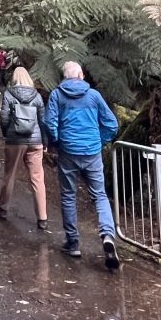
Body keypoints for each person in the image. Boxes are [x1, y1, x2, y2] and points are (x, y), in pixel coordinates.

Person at [44, 61, 120, 269]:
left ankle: (73, 243)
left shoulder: (56, 95)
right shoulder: (94, 95)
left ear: (65, 77)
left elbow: (50, 123)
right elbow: (112, 124)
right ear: (81, 75)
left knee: (68, 196)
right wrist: (100, 140)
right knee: (100, 195)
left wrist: (58, 141)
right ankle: (107, 235)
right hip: (92, 152)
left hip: (68, 152)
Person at [0, 66, 49, 231]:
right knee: (37, 178)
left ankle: (3, 208)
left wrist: (7, 134)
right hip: (35, 140)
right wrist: (45, 141)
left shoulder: (9, 94)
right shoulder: (37, 96)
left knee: (10, 175)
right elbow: (42, 120)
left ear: (15, 79)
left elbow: (4, 117)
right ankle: (42, 218)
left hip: (15, 140)